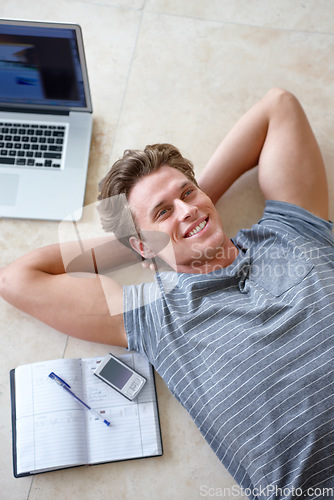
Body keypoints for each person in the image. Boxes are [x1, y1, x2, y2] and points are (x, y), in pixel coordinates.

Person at [1, 88, 333, 498]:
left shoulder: (292, 232)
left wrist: (188, 209)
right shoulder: (155, 316)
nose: (186, 208)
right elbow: (16, 279)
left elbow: (279, 106)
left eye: (187, 192)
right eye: (163, 210)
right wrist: (148, 243)